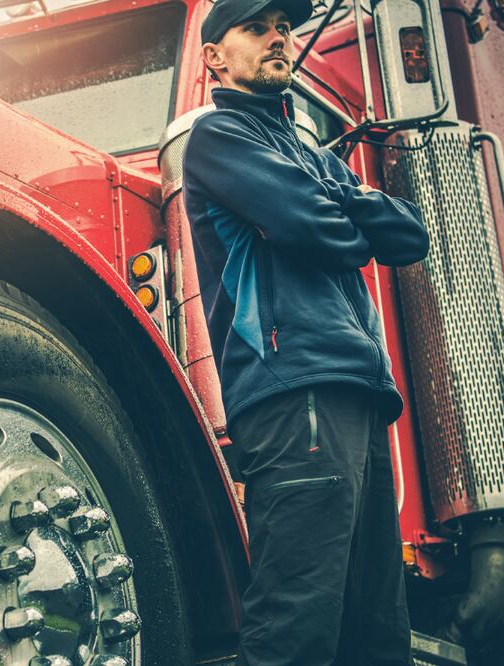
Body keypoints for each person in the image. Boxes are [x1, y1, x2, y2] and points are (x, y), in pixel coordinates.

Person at [181, 0, 430, 664]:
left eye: (284, 28)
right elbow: (319, 232)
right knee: (297, 619)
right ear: (214, 57)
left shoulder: (307, 153)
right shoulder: (219, 138)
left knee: (376, 633)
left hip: (356, 391)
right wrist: (343, 202)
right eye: (256, 28)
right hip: (295, 390)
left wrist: (334, 195)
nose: (278, 38)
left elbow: (409, 235)